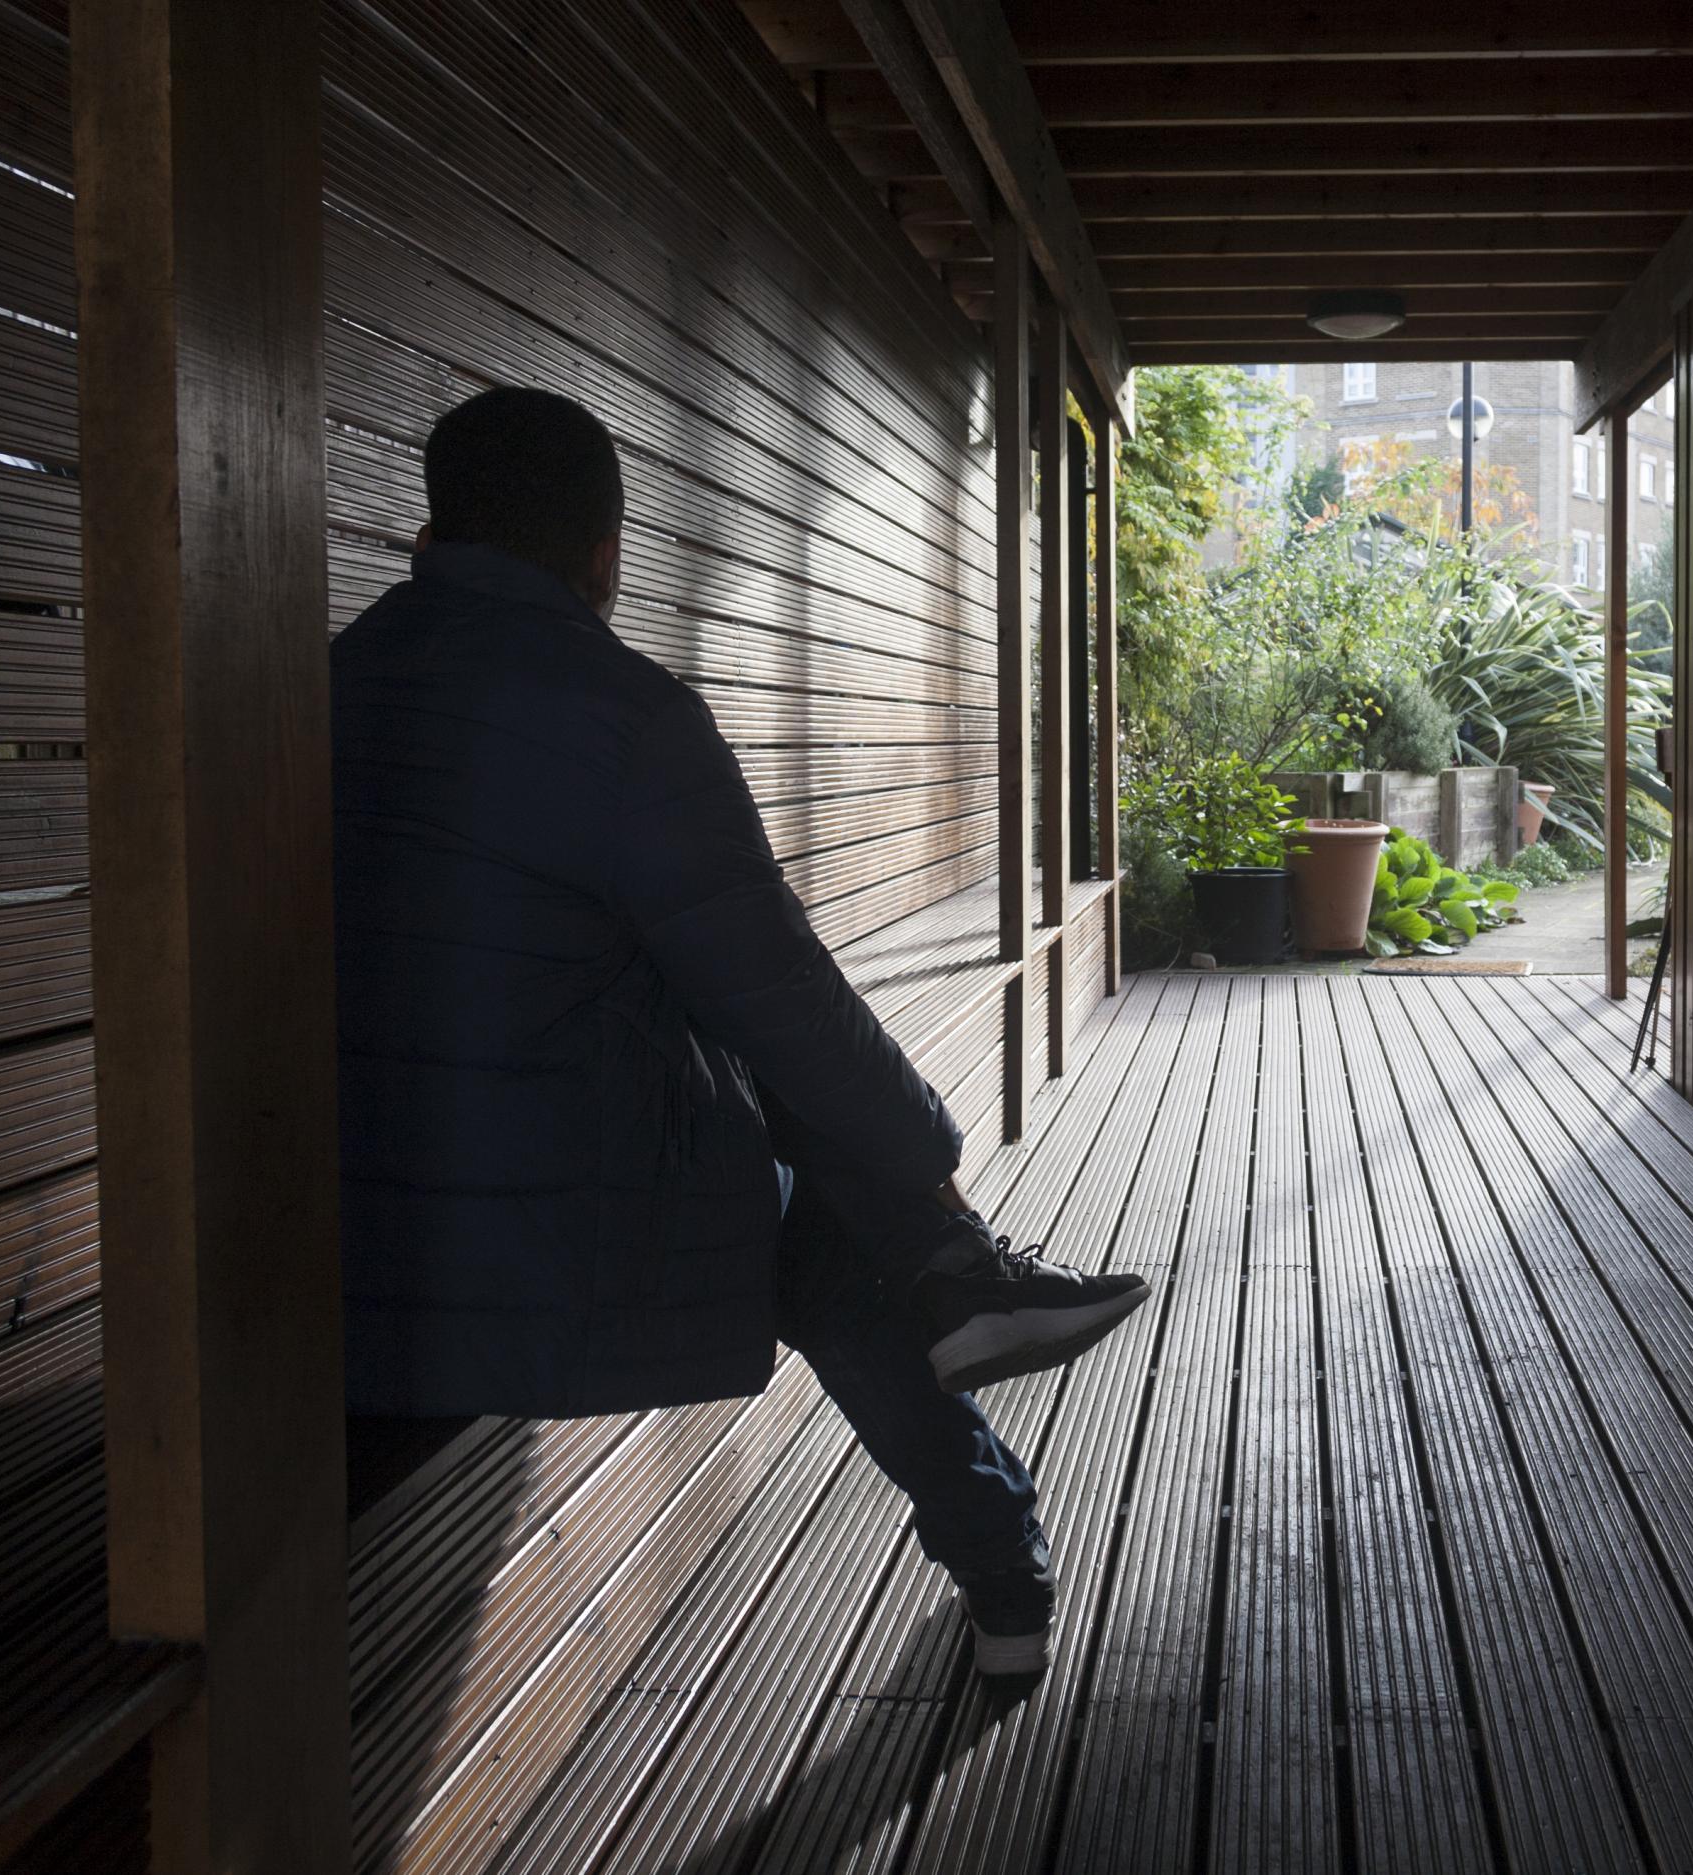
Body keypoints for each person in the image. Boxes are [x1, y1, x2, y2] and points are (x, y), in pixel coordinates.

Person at [328, 386, 1149, 1676]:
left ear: (427, 536)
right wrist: (919, 1163)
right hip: (535, 1223)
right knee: (827, 1236)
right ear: (605, 555)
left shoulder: (314, 689)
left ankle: (961, 1306)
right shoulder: (624, 716)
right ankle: (990, 1488)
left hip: (341, 1209)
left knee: (779, 1167)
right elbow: (775, 993)